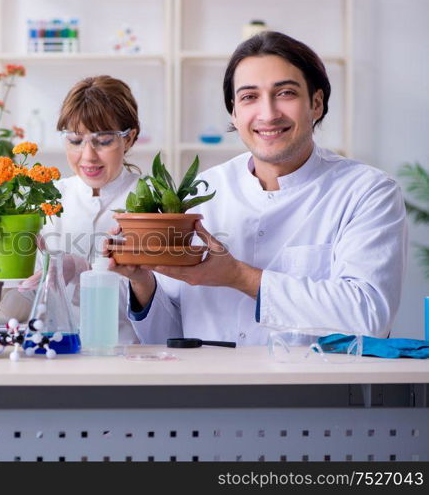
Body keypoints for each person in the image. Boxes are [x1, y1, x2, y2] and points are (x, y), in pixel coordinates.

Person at [108, 31, 407, 345]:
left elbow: (370, 316)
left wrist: (239, 276)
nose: (268, 113)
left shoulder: (368, 192)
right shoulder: (202, 192)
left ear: (316, 104)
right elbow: (168, 338)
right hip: (205, 389)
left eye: (286, 93)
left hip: (313, 391)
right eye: (249, 97)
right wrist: (142, 281)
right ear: (235, 114)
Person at [11, 75, 142, 344]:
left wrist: (83, 272)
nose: (88, 156)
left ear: (129, 139)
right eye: (75, 140)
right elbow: (22, 300)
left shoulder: (152, 205)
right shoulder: (47, 199)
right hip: (54, 353)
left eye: (103, 141)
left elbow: (161, 306)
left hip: (129, 356)